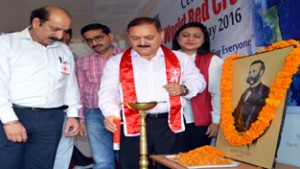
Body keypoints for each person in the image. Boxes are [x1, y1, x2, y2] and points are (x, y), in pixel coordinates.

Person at [98, 17, 206, 169]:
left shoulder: (180, 58)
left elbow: (198, 82)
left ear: (161, 35)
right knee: (131, 165)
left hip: (169, 123)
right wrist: (111, 114)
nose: (142, 42)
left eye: (149, 37)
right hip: (131, 122)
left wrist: (183, 89)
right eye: (135, 38)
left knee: (172, 165)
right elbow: (107, 92)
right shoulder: (117, 61)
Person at [0, 5, 80, 169]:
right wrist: (10, 121)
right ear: (36, 23)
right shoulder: (7, 43)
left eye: (64, 31)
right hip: (15, 114)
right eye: (55, 29)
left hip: (52, 120)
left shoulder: (63, 50)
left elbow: (70, 84)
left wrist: (73, 114)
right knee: (7, 163)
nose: (60, 36)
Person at [76, 23, 123, 169]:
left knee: (127, 158)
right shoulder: (82, 62)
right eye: (89, 40)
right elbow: (80, 91)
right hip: (94, 113)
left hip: (124, 114)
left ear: (110, 36)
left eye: (98, 37)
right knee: (102, 160)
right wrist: (81, 120)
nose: (94, 43)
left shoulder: (127, 57)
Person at [172, 22, 223, 152]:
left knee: (195, 160)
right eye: (186, 35)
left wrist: (216, 121)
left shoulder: (212, 60)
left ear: (204, 39)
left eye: (196, 36)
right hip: (169, 121)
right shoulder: (166, 58)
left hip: (198, 121)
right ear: (178, 38)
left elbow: (217, 93)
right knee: (170, 160)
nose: (190, 39)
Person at [54, 28, 92, 169]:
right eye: (60, 40)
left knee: (64, 145)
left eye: (67, 40)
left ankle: (82, 162)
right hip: (45, 110)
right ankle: (83, 162)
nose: (64, 43)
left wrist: (75, 114)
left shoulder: (70, 56)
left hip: (67, 109)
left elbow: (75, 86)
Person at [232, 60, 270, 132]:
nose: (251, 75)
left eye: (254, 71)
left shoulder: (266, 91)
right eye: (250, 72)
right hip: (237, 133)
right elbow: (237, 110)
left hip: (253, 135)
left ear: (261, 72)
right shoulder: (245, 92)